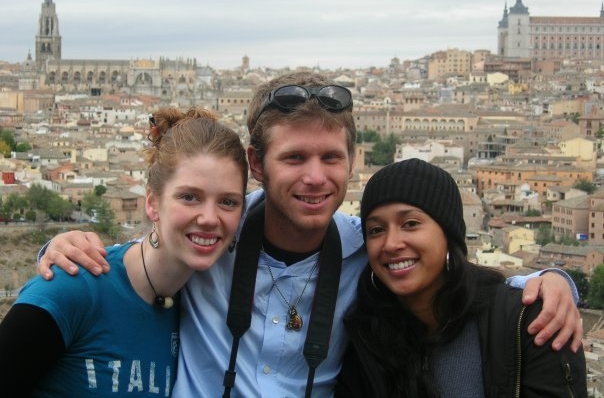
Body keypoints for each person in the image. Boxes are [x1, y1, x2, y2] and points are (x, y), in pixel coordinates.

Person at [37, 72, 582, 397]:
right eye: (295, 158)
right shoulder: (215, 233)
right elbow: (141, 260)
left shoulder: (365, 249)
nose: (316, 178)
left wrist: (554, 281)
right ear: (257, 163)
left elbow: (444, 271)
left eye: (331, 158)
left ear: (352, 160)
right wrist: (60, 246)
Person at [0, 107, 248, 397]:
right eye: (189, 197)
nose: (209, 218)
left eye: (228, 202)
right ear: (152, 203)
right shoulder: (74, 288)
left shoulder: (204, 302)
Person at [336, 158, 587, 397]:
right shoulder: (364, 339)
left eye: (410, 223)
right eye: (376, 230)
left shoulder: (534, 323)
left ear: (448, 234)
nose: (391, 244)